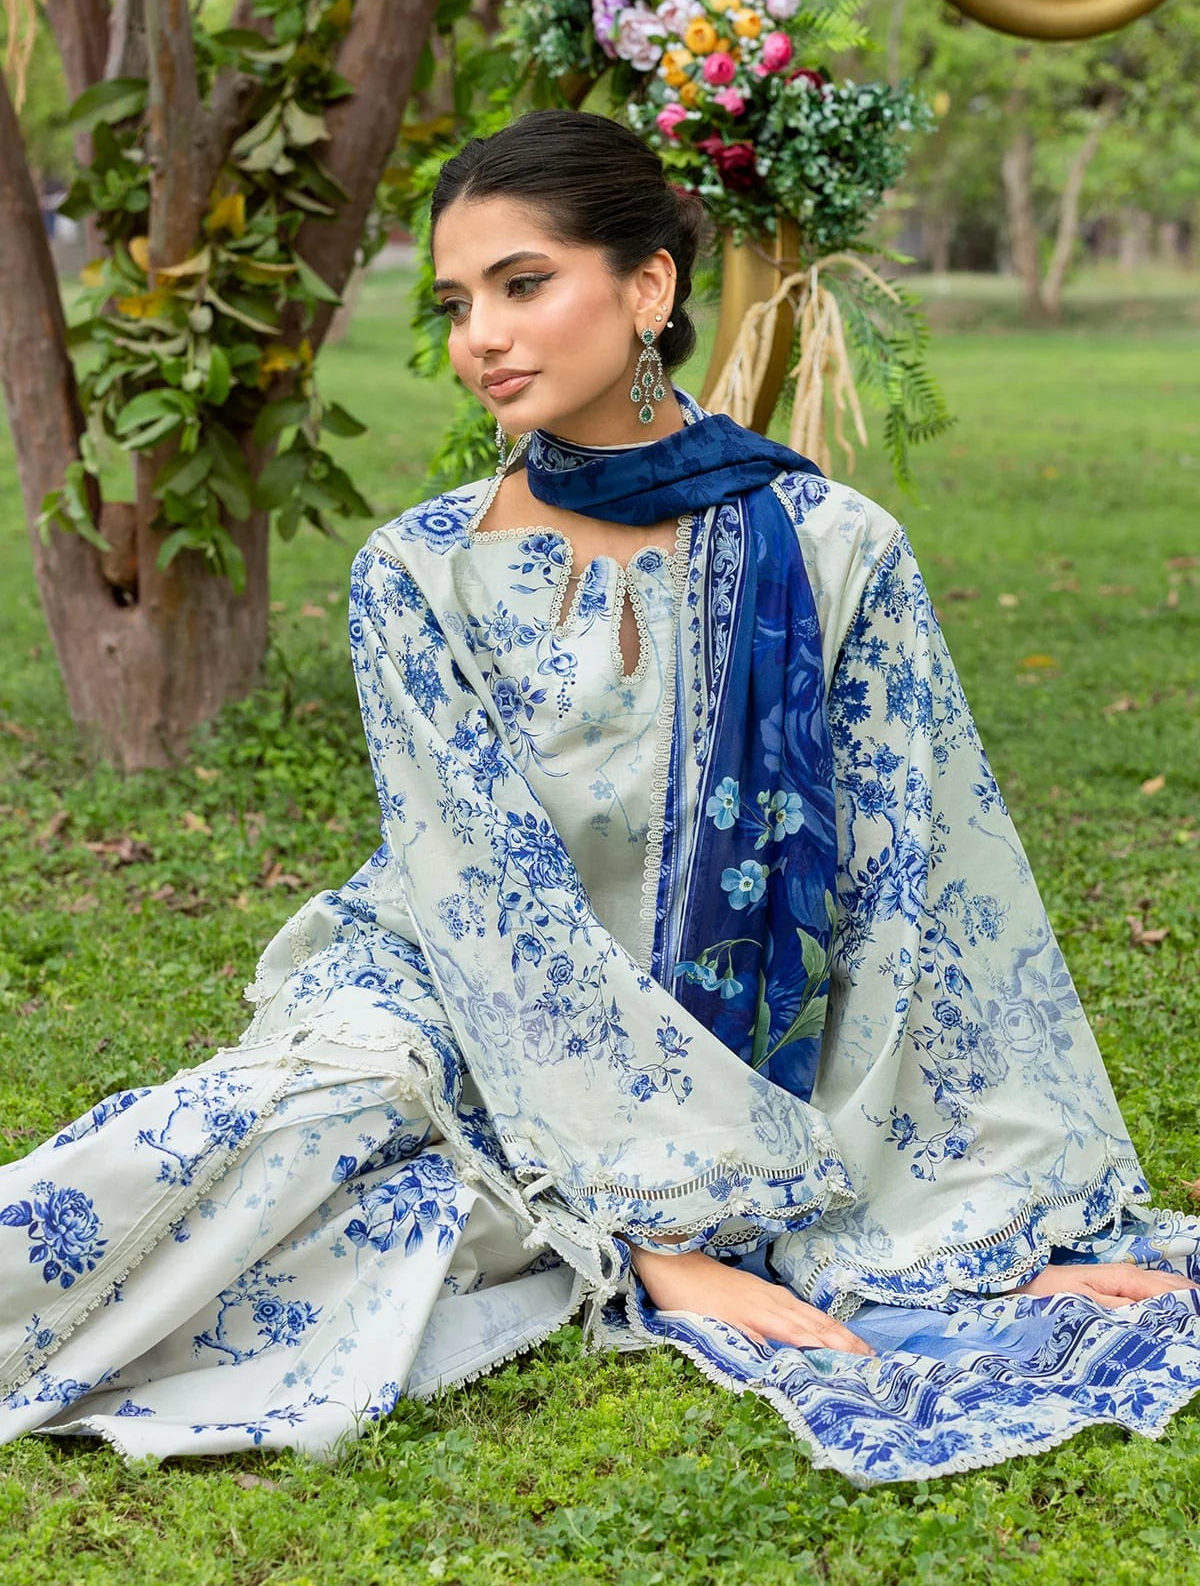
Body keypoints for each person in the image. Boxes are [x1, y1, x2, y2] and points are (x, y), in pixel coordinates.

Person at [2, 110, 1197, 1487]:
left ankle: (574, 1210)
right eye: (458, 302)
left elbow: (919, 890)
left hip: (744, 1045)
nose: (482, 336)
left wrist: (988, 1217)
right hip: (453, 991)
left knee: (421, 1230)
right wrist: (664, 1238)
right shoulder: (420, 572)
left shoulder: (832, 549)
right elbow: (485, 898)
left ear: (648, 288)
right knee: (273, 1138)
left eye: (523, 284)